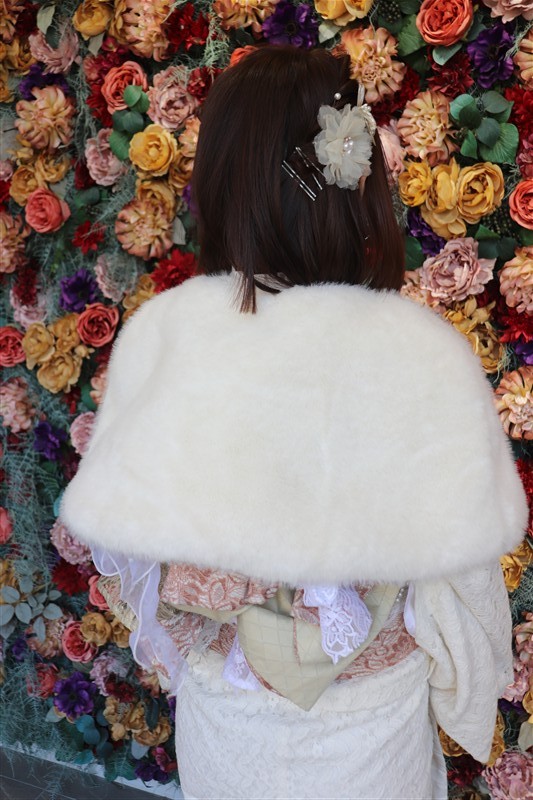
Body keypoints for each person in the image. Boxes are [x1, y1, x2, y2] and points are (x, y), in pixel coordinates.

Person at [61, 46, 527, 800]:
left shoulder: (171, 337)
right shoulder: (414, 352)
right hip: (369, 737)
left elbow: (130, 557)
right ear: (356, 184)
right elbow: (461, 584)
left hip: (228, 725)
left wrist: (226, 598)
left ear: (222, 182)